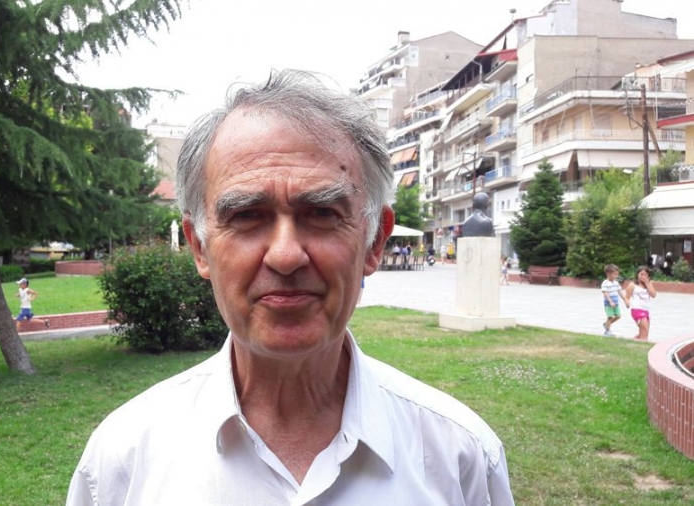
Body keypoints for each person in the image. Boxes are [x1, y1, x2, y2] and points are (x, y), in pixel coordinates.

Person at [67, 70, 514, 505]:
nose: (285, 255)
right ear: (200, 247)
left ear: (375, 240)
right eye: (246, 215)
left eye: (321, 213)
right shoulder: (121, 463)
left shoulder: (461, 458)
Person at [625, 266, 657, 341]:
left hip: (646, 310)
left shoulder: (649, 284)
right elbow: (627, 297)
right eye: (641, 274)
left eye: (646, 275)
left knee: (644, 332)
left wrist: (647, 283)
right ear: (637, 275)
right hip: (637, 309)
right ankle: (643, 344)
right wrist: (627, 303)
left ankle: (631, 342)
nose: (643, 276)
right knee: (644, 330)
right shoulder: (633, 285)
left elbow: (653, 295)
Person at [600, 264, 626, 337]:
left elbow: (619, 291)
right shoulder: (605, 283)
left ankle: (606, 324)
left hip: (616, 303)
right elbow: (605, 293)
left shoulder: (616, 283)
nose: (616, 276)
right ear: (608, 274)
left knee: (618, 316)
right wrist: (610, 301)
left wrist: (624, 299)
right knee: (610, 316)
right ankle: (607, 331)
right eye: (615, 274)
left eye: (617, 274)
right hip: (608, 304)